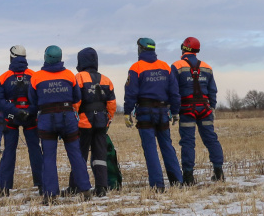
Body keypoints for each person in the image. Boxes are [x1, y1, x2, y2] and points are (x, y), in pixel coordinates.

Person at [29, 45, 92, 203]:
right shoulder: (70, 75)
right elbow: (77, 97)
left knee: (49, 157)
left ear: (46, 57)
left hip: (46, 119)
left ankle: (50, 195)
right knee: (76, 155)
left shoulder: (36, 77)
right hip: (68, 118)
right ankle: (85, 190)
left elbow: (33, 100)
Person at [124, 37, 183, 191]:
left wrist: (127, 112)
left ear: (141, 49)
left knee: (150, 149)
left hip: (145, 113)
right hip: (163, 113)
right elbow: (175, 93)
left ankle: (157, 185)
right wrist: (175, 112)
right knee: (167, 146)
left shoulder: (136, 68)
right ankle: (177, 181)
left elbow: (131, 93)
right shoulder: (165, 67)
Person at [171, 37, 225, 184]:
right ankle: (219, 172)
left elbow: (174, 91)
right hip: (205, 109)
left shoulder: (177, 66)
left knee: (188, 142)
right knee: (211, 140)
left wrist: (174, 111)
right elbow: (212, 90)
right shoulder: (207, 67)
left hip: (187, 109)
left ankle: (188, 177)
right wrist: (212, 107)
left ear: (184, 48)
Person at [64, 47, 117, 197]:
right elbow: (112, 104)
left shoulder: (78, 77)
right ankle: (102, 187)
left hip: (83, 123)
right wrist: (108, 119)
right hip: (101, 122)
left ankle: (75, 187)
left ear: (80, 61)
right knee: (100, 156)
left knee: (79, 156)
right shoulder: (106, 79)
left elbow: (75, 102)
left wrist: (74, 118)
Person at [0, 45, 44, 196]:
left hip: (11, 118)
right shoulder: (34, 76)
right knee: (35, 149)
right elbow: (40, 98)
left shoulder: (3, 78)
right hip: (31, 118)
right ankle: (42, 185)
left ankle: (4, 188)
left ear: (11, 57)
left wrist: (15, 111)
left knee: (9, 151)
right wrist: (29, 112)